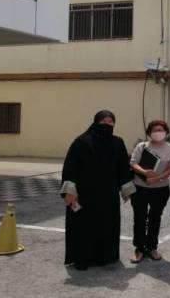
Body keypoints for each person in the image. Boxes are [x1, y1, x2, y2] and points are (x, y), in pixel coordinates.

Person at [60, 110, 135, 271]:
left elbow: (123, 167)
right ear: (95, 122)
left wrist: (126, 189)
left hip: (108, 196)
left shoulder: (117, 142)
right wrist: (69, 191)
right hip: (85, 195)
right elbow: (70, 167)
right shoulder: (82, 141)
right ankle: (82, 259)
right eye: (104, 122)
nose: (107, 125)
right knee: (83, 227)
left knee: (107, 225)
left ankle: (106, 256)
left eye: (111, 123)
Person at [129, 120, 170, 263]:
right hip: (140, 187)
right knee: (139, 218)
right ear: (149, 133)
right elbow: (133, 163)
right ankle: (139, 248)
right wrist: (145, 172)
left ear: (166, 132)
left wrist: (158, 178)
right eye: (154, 130)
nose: (158, 133)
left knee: (155, 218)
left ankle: (152, 247)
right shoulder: (141, 146)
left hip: (160, 188)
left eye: (161, 130)